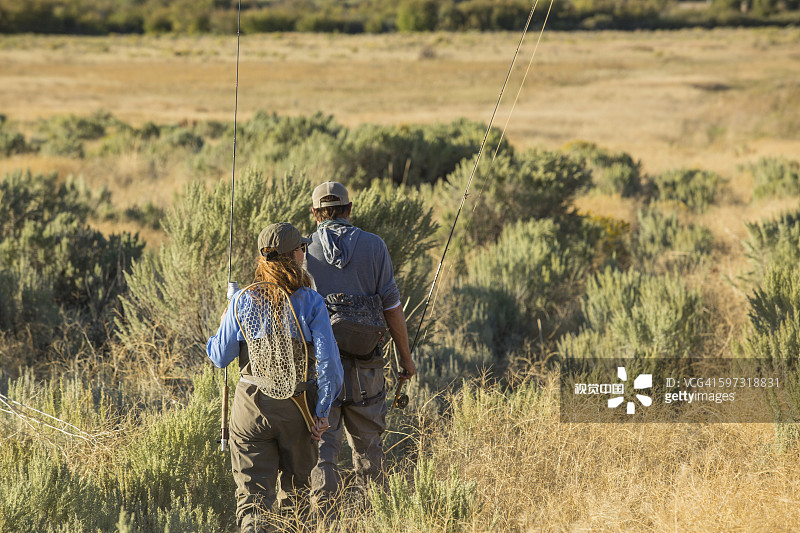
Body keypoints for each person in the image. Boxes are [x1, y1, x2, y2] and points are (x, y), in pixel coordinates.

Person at [207, 222, 344, 533]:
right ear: (294, 256)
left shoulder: (243, 300)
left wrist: (229, 309)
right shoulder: (311, 302)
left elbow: (219, 356)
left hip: (250, 409)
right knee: (296, 500)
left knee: (253, 502)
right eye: (302, 248)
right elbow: (329, 366)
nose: (304, 252)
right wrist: (321, 413)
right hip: (299, 411)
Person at [305, 181, 417, 513]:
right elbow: (392, 308)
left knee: (323, 448)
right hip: (366, 368)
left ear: (314, 214)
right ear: (350, 209)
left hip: (319, 370)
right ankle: (370, 518)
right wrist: (405, 359)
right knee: (369, 450)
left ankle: (324, 521)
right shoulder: (375, 245)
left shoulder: (302, 250)